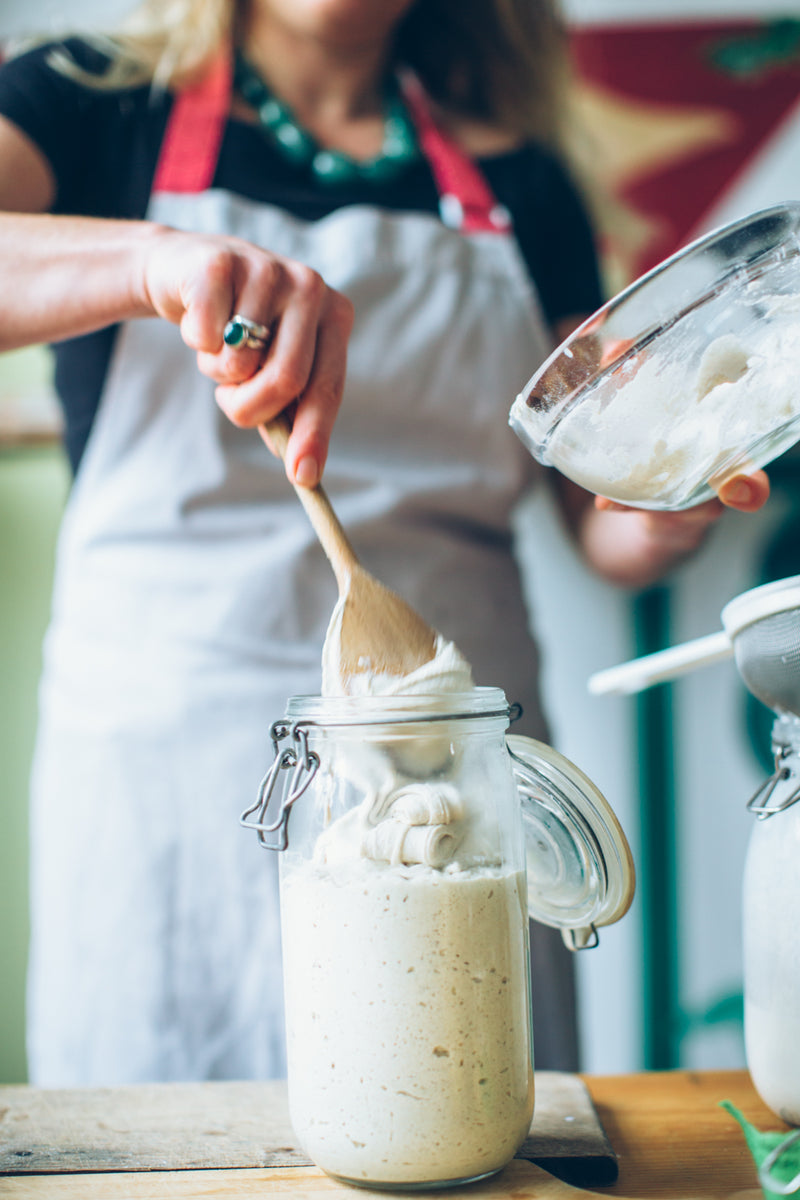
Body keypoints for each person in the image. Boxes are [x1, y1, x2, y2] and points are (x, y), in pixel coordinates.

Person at [0, 0, 769, 1086]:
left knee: (465, 1111)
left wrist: (653, 502)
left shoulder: (520, 181)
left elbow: (591, 526)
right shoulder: (84, 99)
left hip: (460, 761)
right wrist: (151, 262)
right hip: (169, 776)